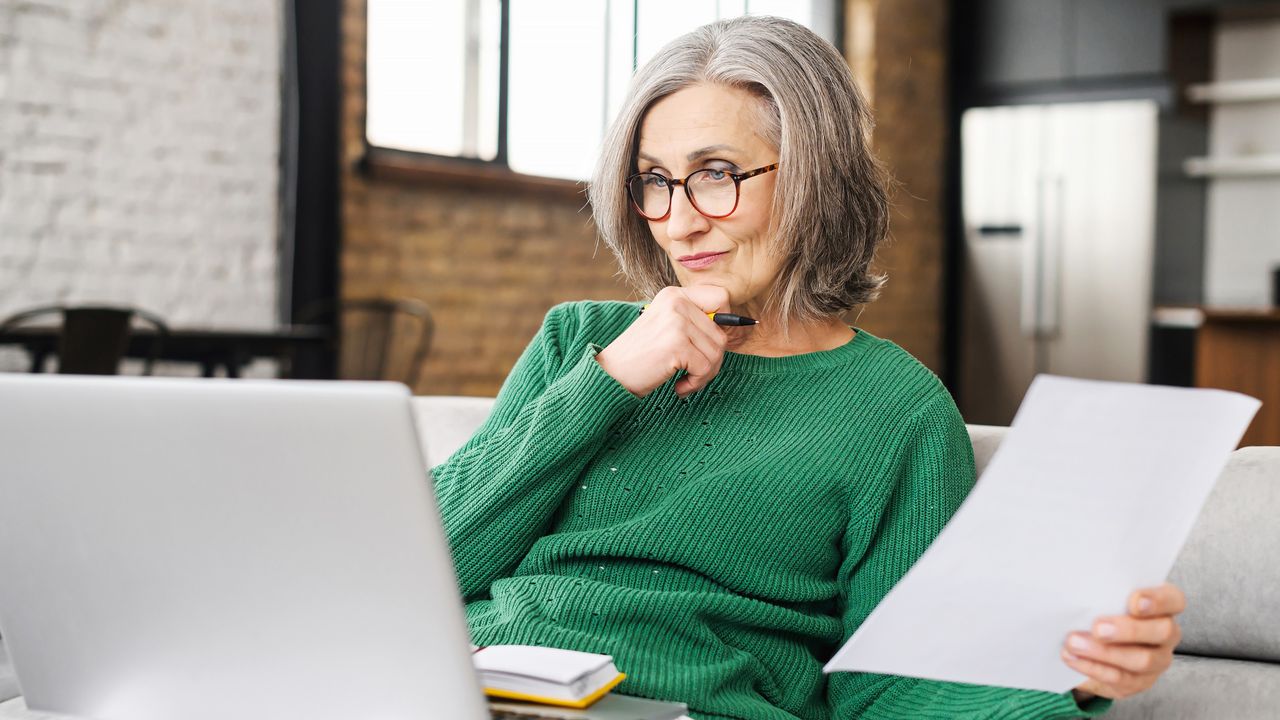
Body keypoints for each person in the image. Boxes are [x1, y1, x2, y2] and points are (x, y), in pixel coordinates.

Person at [432, 15, 1183, 720]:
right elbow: (419, 570)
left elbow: (886, 689)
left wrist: (1067, 677)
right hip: (455, 686)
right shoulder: (584, 343)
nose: (680, 218)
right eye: (653, 180)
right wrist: (608, 382)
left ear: (812, 179)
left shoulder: (895, 410)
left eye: (716, 173)